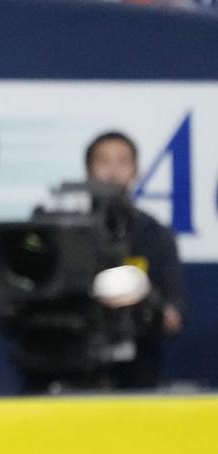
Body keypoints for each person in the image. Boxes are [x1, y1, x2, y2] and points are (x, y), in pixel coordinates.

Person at [85, 130, 185, 388]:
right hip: (72, 361)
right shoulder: (67, 233)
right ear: (89, 170)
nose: (113, 171)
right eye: (104, 161)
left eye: (122, 162)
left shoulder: (155, 234)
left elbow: (174, 316)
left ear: (136, 171)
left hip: (138, 364)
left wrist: (149, 303)